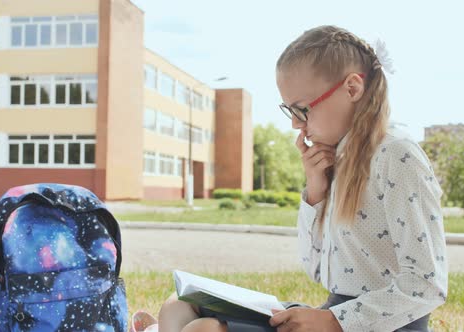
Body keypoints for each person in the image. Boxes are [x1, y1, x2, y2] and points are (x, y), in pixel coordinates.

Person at [157, 25, 448, 332]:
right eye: (289, 111)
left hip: (377, 325)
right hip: (334, 313)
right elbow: (317, 270)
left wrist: (334, 320)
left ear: (352, 88)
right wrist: (316, 192)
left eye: (302, 109)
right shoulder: (336, 157)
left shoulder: (397, 155)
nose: (296, 124)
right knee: (176, 306)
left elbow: (427, 285)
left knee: (203, 330)